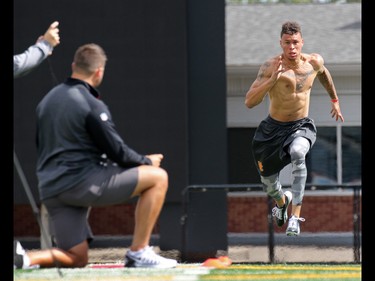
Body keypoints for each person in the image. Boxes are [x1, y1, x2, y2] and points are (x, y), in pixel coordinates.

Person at [14, 43, 177, 269]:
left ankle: (25, 258)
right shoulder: (90, 103)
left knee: (76, 257)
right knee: (158, 177)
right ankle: (139, 252)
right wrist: (147, 161)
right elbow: (117, 151)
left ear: (73, 65)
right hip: (80, 185)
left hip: (52, 189)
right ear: (99, 71)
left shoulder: (47, 100)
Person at [244, 21, 344, 236]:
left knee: (299, 152)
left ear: (302, 42)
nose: (292, 47)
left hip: (300, 125)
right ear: (280, 43)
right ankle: (281, 202)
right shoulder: (271, 66)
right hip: (271, 130)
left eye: (295, 43)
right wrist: (272, 80)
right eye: (287, 43)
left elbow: (324, 74)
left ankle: (295, 217)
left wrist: (334, 99)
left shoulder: (313, 62)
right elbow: (250, 102)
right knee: (269, 185)